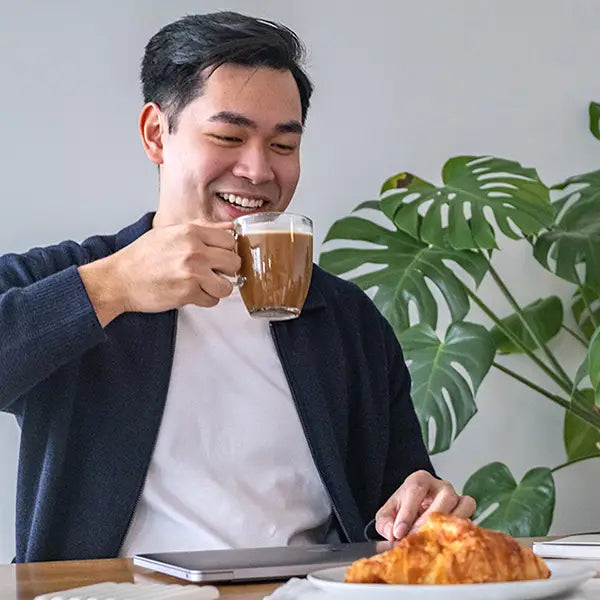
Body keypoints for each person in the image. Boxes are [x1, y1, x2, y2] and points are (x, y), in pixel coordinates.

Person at [0, 11, 475, 563]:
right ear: (157, 134)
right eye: (228, 136)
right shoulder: (77, 277)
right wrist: (115, 286)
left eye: (283, 146)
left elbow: (396, 501)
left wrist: (421, 505)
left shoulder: (345, 319)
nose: (257, 170)